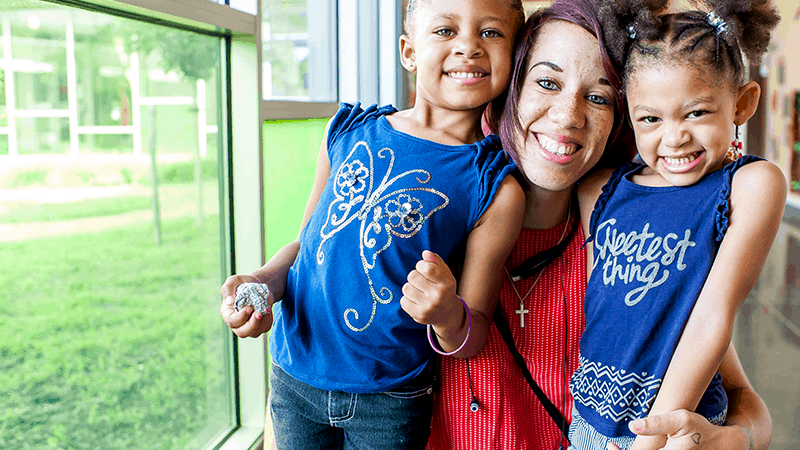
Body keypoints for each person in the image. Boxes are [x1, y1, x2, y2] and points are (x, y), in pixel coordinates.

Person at [427, 0, 774, 449]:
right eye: (547, 82)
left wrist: (737, 440)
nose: (568, 116)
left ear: (620, 119)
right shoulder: (435, 219)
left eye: (598, 97)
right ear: (511, 87)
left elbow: (740, 395)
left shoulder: (636, 239)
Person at [219, 0, 527, 448]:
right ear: (409, 52)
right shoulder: (347, 131)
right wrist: (264, 283)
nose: (469, 47)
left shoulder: (494, 188)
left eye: (491, 33)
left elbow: (473, 332)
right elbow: (306, 247)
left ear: (512, 57)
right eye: (445, 31)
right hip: (294, 376)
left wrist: (447, 312)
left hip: (391, 398)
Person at [569, 1, 785, 449]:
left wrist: (653, 438)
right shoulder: (601, 191)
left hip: (678, 429)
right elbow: (609, 312)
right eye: (650, 118)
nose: (674, 137)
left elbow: (711, 316)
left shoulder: (749, 185)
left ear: (742, 103)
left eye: (696, 113)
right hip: (586, 423)